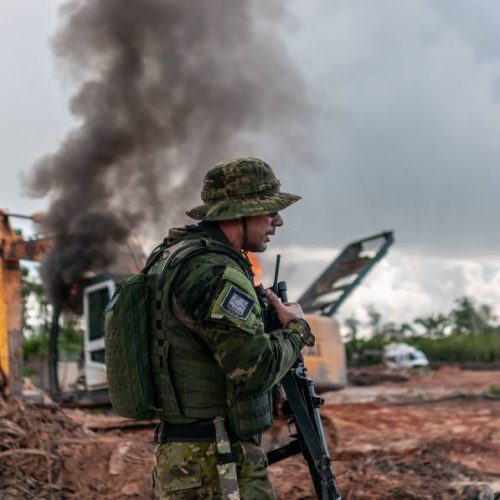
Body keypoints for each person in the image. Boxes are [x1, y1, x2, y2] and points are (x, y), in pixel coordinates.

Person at [151, 157, 314, 499]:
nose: (278, 221)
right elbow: (254, 369)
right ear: (239, 212)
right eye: (269, 211)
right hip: (217, 461)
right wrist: (297, 330)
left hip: (196, 458)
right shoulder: (214, 272)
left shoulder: (176, 257)